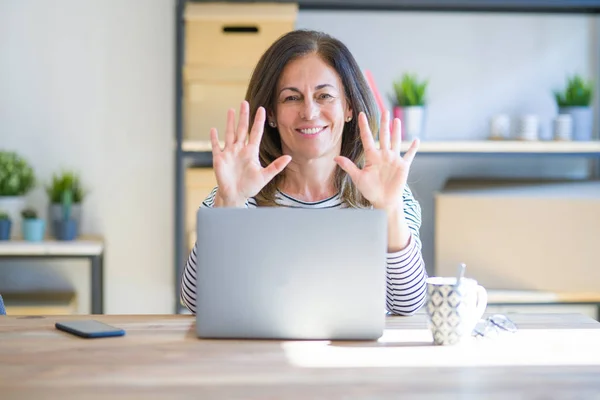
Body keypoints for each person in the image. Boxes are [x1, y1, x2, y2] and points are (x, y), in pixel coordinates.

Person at [181, 29, 427, 316]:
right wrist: (229, 206)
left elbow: (407, 304)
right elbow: (196, 302)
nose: (309, 112)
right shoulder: (234, 193)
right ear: (271, 113)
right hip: (260, 357)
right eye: (291, 98)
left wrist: (388, 208)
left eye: (324, 95)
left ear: (348, 107)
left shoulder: (392, 195)